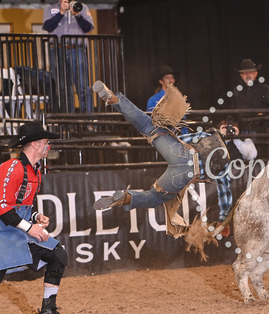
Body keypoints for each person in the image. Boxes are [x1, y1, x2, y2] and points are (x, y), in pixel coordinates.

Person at [92, 81, 233, 237]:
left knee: (146, 125)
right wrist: (223, 221)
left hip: (180, 153)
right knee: (154, 197)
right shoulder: (225, 165)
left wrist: (158, 137)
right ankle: (125, 198)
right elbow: (225, 193)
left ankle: (113, 98)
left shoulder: (207, 136)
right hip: (185, 175)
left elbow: (182, 138)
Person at [0, 122, 74, 314]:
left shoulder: (34, 171)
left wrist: (36, 216)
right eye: (46, 143)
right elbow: (1, 207)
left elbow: (19, 205)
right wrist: (31, 228)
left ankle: (47, 313)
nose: (49, 146)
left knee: (57, 254)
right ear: (35, 144)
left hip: (15, 231)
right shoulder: (12, 168)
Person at [42, 0, 95, 113]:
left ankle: (88, 121)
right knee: (64, 88)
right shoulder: (50, 9)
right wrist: (61, 12)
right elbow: (48, 27)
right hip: (57, 50)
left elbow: (88, 27)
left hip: (76, 49)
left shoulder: (82, 7)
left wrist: (77, 15)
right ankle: (68, 122)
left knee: (83, 86)